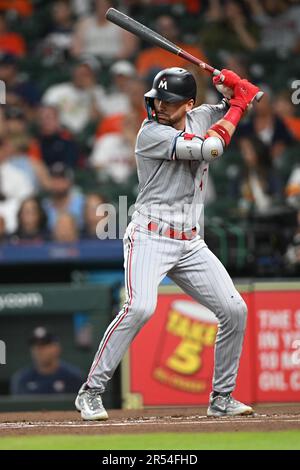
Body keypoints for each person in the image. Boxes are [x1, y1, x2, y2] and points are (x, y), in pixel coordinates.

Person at [75, 67, 260, 420]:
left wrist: (238, 89)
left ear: (188, 103)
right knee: (141, 307)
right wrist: (237, 104)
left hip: (190, 242)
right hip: (150, 236)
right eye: (158, 99)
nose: (160, 106)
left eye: (170, 102)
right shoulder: (150, 133)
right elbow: (212, 148)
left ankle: (221, 397)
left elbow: (242, 104)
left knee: (235, 310)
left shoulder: (201, 115)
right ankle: (91, 391)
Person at [11, 326, 83, 395]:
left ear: (57, 348)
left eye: (44, 345)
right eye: (35, 345)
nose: (38, 350)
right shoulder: (22, 379)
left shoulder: (73, 377)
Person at [42, 57, 106, 134]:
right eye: (80, 71)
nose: (82, 75)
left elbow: (97, 119)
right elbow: (45, 116)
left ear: (93, 76)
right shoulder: (57, 90)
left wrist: (91, 92)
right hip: (60, 133)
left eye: (87, 73)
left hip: (86, 134)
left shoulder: (98, 92)